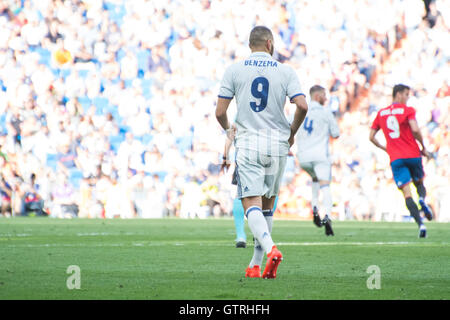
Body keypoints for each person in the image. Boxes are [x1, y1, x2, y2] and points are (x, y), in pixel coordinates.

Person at [215, 26, 308, 279]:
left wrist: (228, 130)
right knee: (267, 206)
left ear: (251, 45)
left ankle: (271, 249)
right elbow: (302, 105)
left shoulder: (234, 70)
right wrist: (292, 133)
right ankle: (256, 265)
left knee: (250, 205)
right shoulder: (286, 71)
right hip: (277, 143)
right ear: (269, 44)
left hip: (249, 142)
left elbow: (220, 113)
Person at [369, 84, 433, 238]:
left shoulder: (381, 113)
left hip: (396, 158)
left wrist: (385, 148)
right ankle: (423, 200)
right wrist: (423, 147)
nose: (407, 98)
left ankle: (421, 225)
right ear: (398, 94)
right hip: (413, 154)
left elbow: (371, 137)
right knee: (419, 184)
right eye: (406, 94)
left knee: (407, 194)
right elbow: (415, 129)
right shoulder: (408, 110)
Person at [221, 125, 279, 249]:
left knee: (242, 193)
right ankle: (262, 234)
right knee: (270, 193)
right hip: (270, 151)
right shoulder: (275, 106)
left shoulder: (244, 106)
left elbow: (232, 130)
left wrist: (225, 156)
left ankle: (241, 236)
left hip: (247, 153)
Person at [295, 85, 340, 236]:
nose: (326, 98)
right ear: (317, 95)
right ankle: (327, 216)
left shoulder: (301, 110)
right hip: (320, 155)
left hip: (303, 157)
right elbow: (336, 133)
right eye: (324, 95)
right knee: (325, 186)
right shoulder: (326, 112)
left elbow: (290, 127)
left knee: (315, 179)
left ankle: (314, 207)